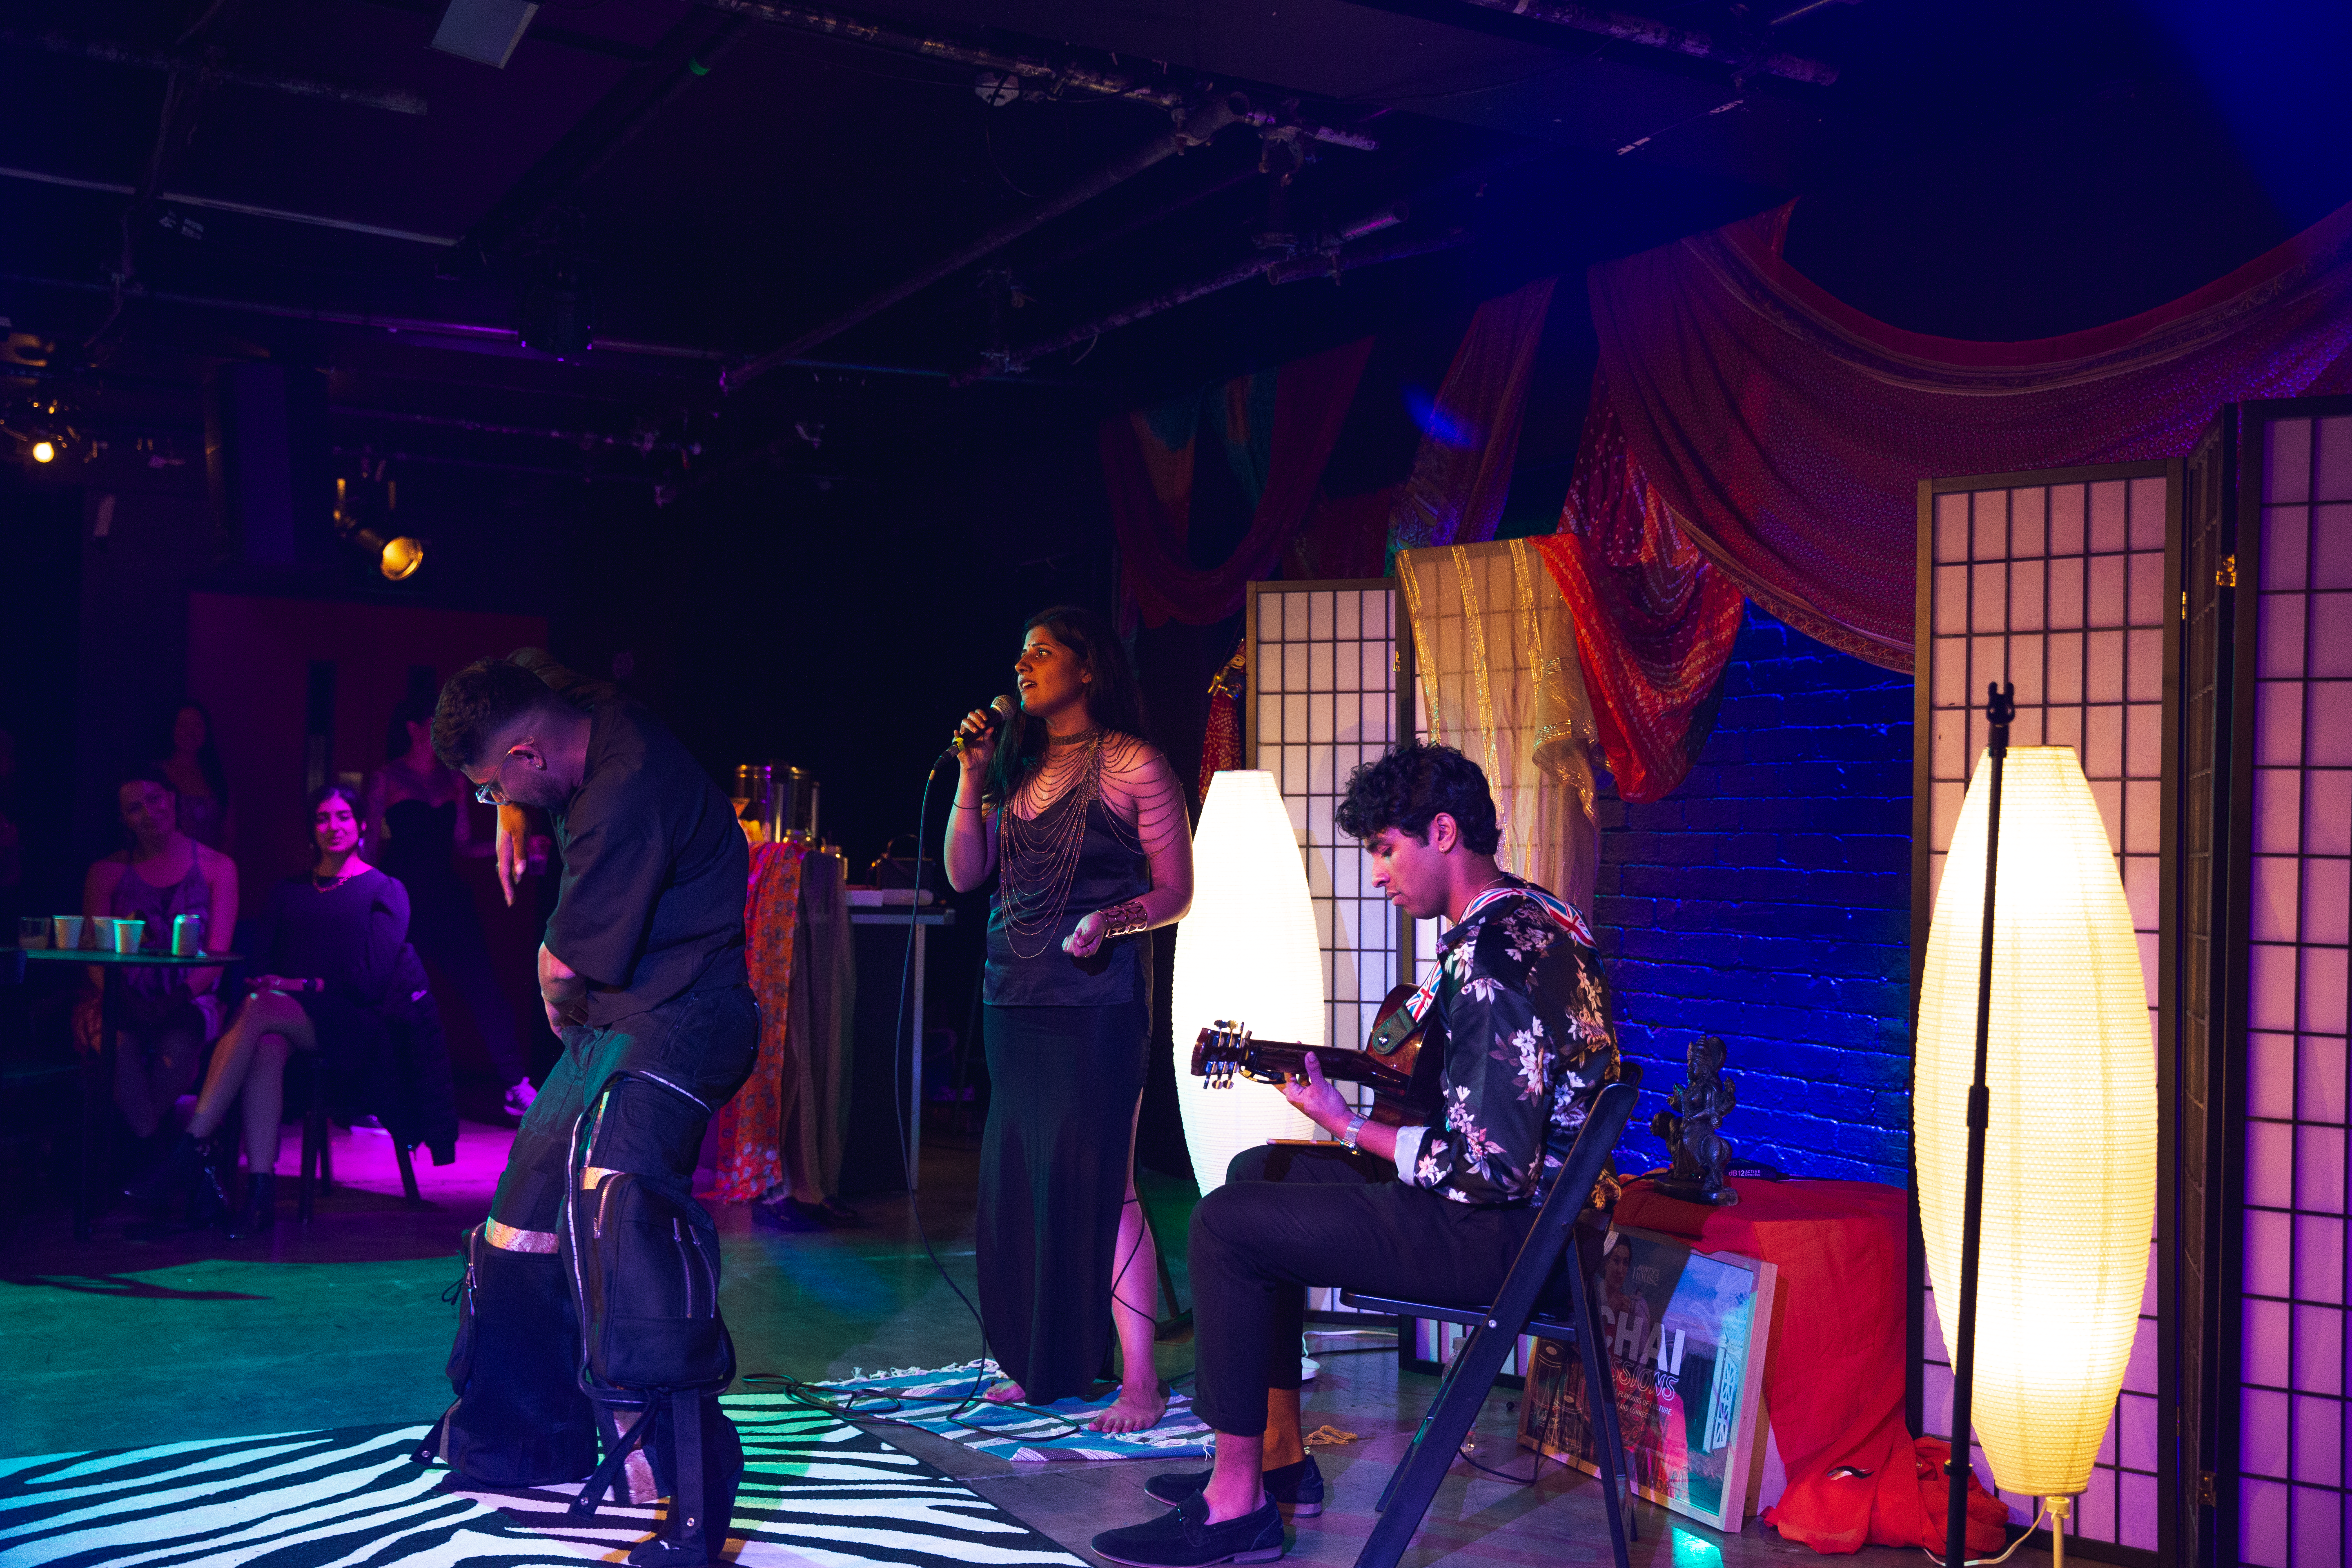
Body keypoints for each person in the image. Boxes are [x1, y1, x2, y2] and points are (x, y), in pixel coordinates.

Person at [1090, 742, 1621, 1568]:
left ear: (1442, 832)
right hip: (1535, 1222)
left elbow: (1487, 1171)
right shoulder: (1537, 917)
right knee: (1256, 1173)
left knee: (1229, 1226)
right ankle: (1277, 1458)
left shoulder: (1491, 962)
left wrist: (1345, 1124)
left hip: (1507, 1240)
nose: (1378, 874)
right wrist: (1348, 1122)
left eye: (1385, 849)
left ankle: (1235, 1509)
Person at [419, 652, 755, 1563]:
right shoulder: (578, 707)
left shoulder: (625, 789)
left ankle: (695, 1483)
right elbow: (527, 679)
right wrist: (516, 812)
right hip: (621, 1019)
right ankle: (527, 1435)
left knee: (619, 1207)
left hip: (691, 1015)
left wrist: (551, 985)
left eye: (495, 789)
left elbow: (563, 973)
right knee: (522, 1215)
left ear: (528, 753)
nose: (499, 805)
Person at [944, 606, 1194, 1434]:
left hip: (1096, 1005)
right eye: (1020, 654)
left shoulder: (1134, 765)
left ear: (1087, 668)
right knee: (1024, 1180)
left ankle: (1139, 1382)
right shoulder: (1015, 768)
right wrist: (972, 776)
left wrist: (1110, 922)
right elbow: (964, 873)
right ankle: (1042, 1362)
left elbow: (1176, 890)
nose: (1026, 666)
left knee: (1107, 1187)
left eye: (1043, 652)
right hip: (1012, 999)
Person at [132, 784, 419, 1236]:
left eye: (344, 817)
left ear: (362, 826)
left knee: (261, 1006)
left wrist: (299, 985)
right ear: (312, 830)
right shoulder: (288, 891)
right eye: (323, 818)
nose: (334, 827)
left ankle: (191, 1147)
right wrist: (280, 987)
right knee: (265, 1042)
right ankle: (261, 1196)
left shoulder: (385, 890)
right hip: (279, 1017)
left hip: (352, 1024)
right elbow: (261, 964)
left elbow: (372, 981)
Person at [365, 693, 538, 1118]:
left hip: (446, 897)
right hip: (402, 899)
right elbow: (368, 852)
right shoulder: (386, 778)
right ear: (414, 726)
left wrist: (518, 849)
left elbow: (462, 844)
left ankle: (516, 1085)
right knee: (392, 995)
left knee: (484, 986)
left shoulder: (454, 781)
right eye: (436, 720)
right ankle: (372, 1099)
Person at [79, 767, 238, 1157]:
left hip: (190, 999)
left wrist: (171, 1002)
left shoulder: (219, 868)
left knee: (180, 1046)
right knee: (114, 1044)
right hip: (121, 995)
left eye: (154, 800)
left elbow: (216, 959)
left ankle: (143, 1155)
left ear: (172, 799)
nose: (148, 813)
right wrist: (127, 1001)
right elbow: (93, 958)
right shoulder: (106, 872)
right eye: (135, 808)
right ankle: (157, 1151)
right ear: (123, 820)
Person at [156, 701, 235, 853]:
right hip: (166, 865)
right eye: (183, 725)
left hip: (210, 865)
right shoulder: (157, 774)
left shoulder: (217, 777)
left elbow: (229, 833)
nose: (190, 732)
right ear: (172, 729)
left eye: (197, 725)